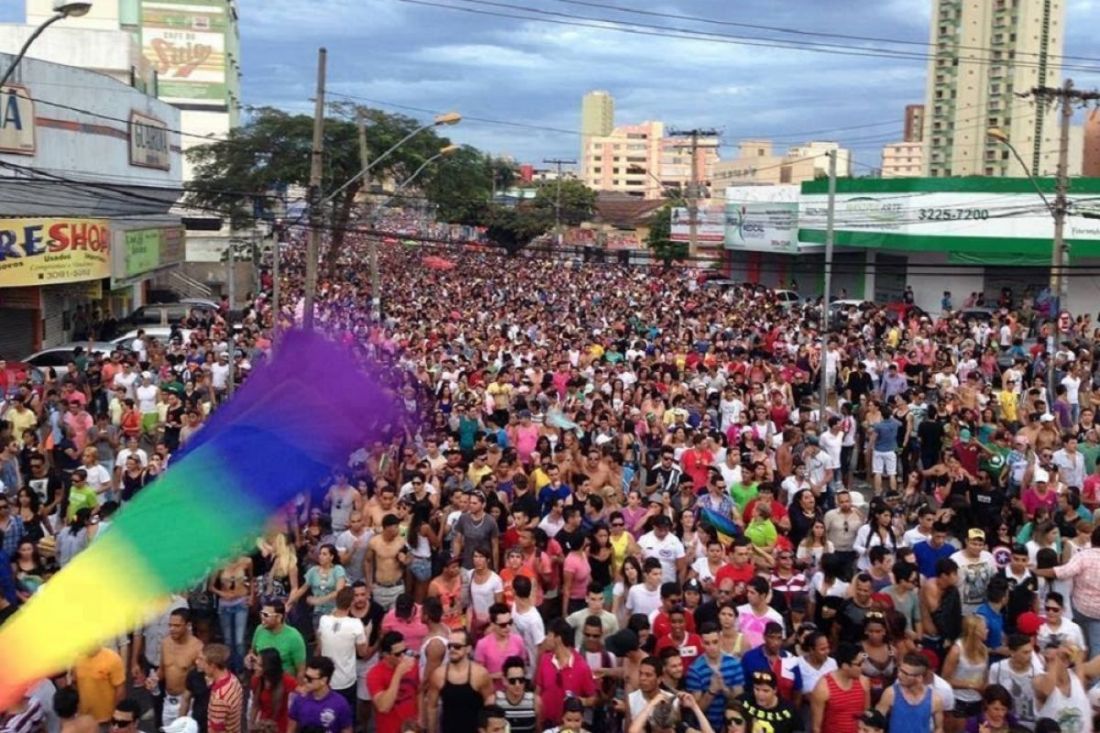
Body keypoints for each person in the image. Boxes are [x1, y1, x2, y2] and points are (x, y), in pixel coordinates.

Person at [424, 628, 495, 733]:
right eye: (450, 646)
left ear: (468, 649)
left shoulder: (480, 674)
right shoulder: (438, 675)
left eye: (457, 646)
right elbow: (432, 707)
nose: (452, 649)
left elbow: (489, 704)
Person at [533, 619, 597, 728]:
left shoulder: (581, 667)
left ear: (558, 639)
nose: (546, 639)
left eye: (548, 635)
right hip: (546, 724)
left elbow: (593, 699)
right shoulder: (545, 660)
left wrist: (581, 702)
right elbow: (538, 690)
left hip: (569, 726)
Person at [316, 588, 368, 719]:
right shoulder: (356, 624)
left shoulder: (323, 620)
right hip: (346, 681)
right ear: (351, 604)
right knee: (346, 718)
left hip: (326, 680)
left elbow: (320, 647)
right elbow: (363, 652)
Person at [685, 622, 745, 730]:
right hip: (705, 727)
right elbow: (696, 709)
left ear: (721, 640)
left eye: (715, 642)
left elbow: (739, 702)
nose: (712, 647)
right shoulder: (694, 669)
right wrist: (712, 691)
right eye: (707, 643)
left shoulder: (734, 664)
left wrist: (724, 689)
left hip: (731, 727)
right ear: (701, 643)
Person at [876, 651, 945, 733]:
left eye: (905, 673)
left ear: (919, 678)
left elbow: (939, 728)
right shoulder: (890, 694)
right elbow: (875, 723)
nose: (899, 675)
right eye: (900, 670)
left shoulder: (935, 700)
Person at [365, 632, 419, 733]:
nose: (403, 656)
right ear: (386, 655)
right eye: (398, 654)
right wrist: (398, 674)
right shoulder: (374, 674)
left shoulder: (412, 665)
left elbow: (419, 692)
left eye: (405, 651)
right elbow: (383, 707)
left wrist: (420, 719)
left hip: (411, 727)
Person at [810, 643, 870, 733]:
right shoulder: (823, 687)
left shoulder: (864, 682)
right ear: (845, 666)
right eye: (859, 664)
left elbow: (868, 716)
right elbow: (816, 727)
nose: (863, 667)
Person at [287, 656, 353, 733]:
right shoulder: (299, 700)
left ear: (323, 680)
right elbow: (291, 728)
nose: (305, 680)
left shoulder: (340, 704)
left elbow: (346, 729)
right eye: (305, 676)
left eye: (309, 678)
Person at [248, 600, 307, 678]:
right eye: (261, 613)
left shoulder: (294, 637)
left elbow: (301, 670)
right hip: (262, 681)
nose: (262, 617)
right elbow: (253, 651)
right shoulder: (260, 629)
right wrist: (249, 657)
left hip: (283, 684)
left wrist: (296, 689)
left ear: (279, 617)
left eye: (266, 615)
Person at [71, 645, 125, 728]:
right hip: (84, 719)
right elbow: (74, 684)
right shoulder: (77, 658)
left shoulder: (113, 659)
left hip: (106, 720)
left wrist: (116, 716)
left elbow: (120, 690)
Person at [249, 649, 296, 733]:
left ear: (270, 667)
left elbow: (294, 711)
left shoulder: (288, 682)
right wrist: (251, 726)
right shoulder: (256, 680)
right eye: (255, 663)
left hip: (282, 727)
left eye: (260, 665)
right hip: (263, 727)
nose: (255, 667)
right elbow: (255, 706)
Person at [203, 643, 243, 733]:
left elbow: (216, 730)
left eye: (203, 661)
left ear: (213, 666)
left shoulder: (219, 698)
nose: (200, 664)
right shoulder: (233, 679)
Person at [494, 656, 539, 733]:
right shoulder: (494, 701)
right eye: (512, 681)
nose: (517, 685)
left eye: (521, 680)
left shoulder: (535, 701)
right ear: (504, 680)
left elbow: (538, 729)